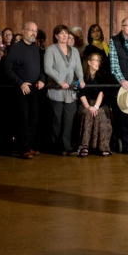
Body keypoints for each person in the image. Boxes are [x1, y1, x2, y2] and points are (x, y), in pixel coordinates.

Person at [5, 21, 46, 159]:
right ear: (23, 31)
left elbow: (41, 69)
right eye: (31, 30)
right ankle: (23, 149)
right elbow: (8, 69)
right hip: (21, 90)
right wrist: (21, 83)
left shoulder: (36, 49)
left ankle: (29, 146)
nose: (34, 33)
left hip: (35, 89)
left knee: (33, 119)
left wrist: (42, 80)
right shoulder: (15, 48)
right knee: (22, 120)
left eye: (35, 31)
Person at [44, 24, 85, 156]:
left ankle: (67, 146)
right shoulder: (51, 50)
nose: (64, 35)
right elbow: (48, 69)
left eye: (66, 33)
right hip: (56, 90)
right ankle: (56, 146)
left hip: (70, 91)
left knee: (69, 119)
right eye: (61, 33)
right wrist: (59, 81)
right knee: (57, 119)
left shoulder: (74, 51)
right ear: (56, 36)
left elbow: (78, 67)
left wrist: (81, 79)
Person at [109, 17, 128, 153]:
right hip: (119, 83)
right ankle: (125, 145)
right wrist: (122, 80)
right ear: (122, 27)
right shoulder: (114, 40)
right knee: (123, 115)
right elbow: (114, 65)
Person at [77, 52, 113, 157]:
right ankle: (84, 146)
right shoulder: (82, 76)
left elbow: (101, 92)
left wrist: (96, 107)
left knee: (100, 113)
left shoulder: (101, 75)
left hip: (99, 103)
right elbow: (81, 93)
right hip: (85, 103)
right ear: (89, 62)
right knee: (88, 113)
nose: (98, 63)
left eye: (99, 61)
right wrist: (88, 107)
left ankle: (103, 146)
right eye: (96, 60)